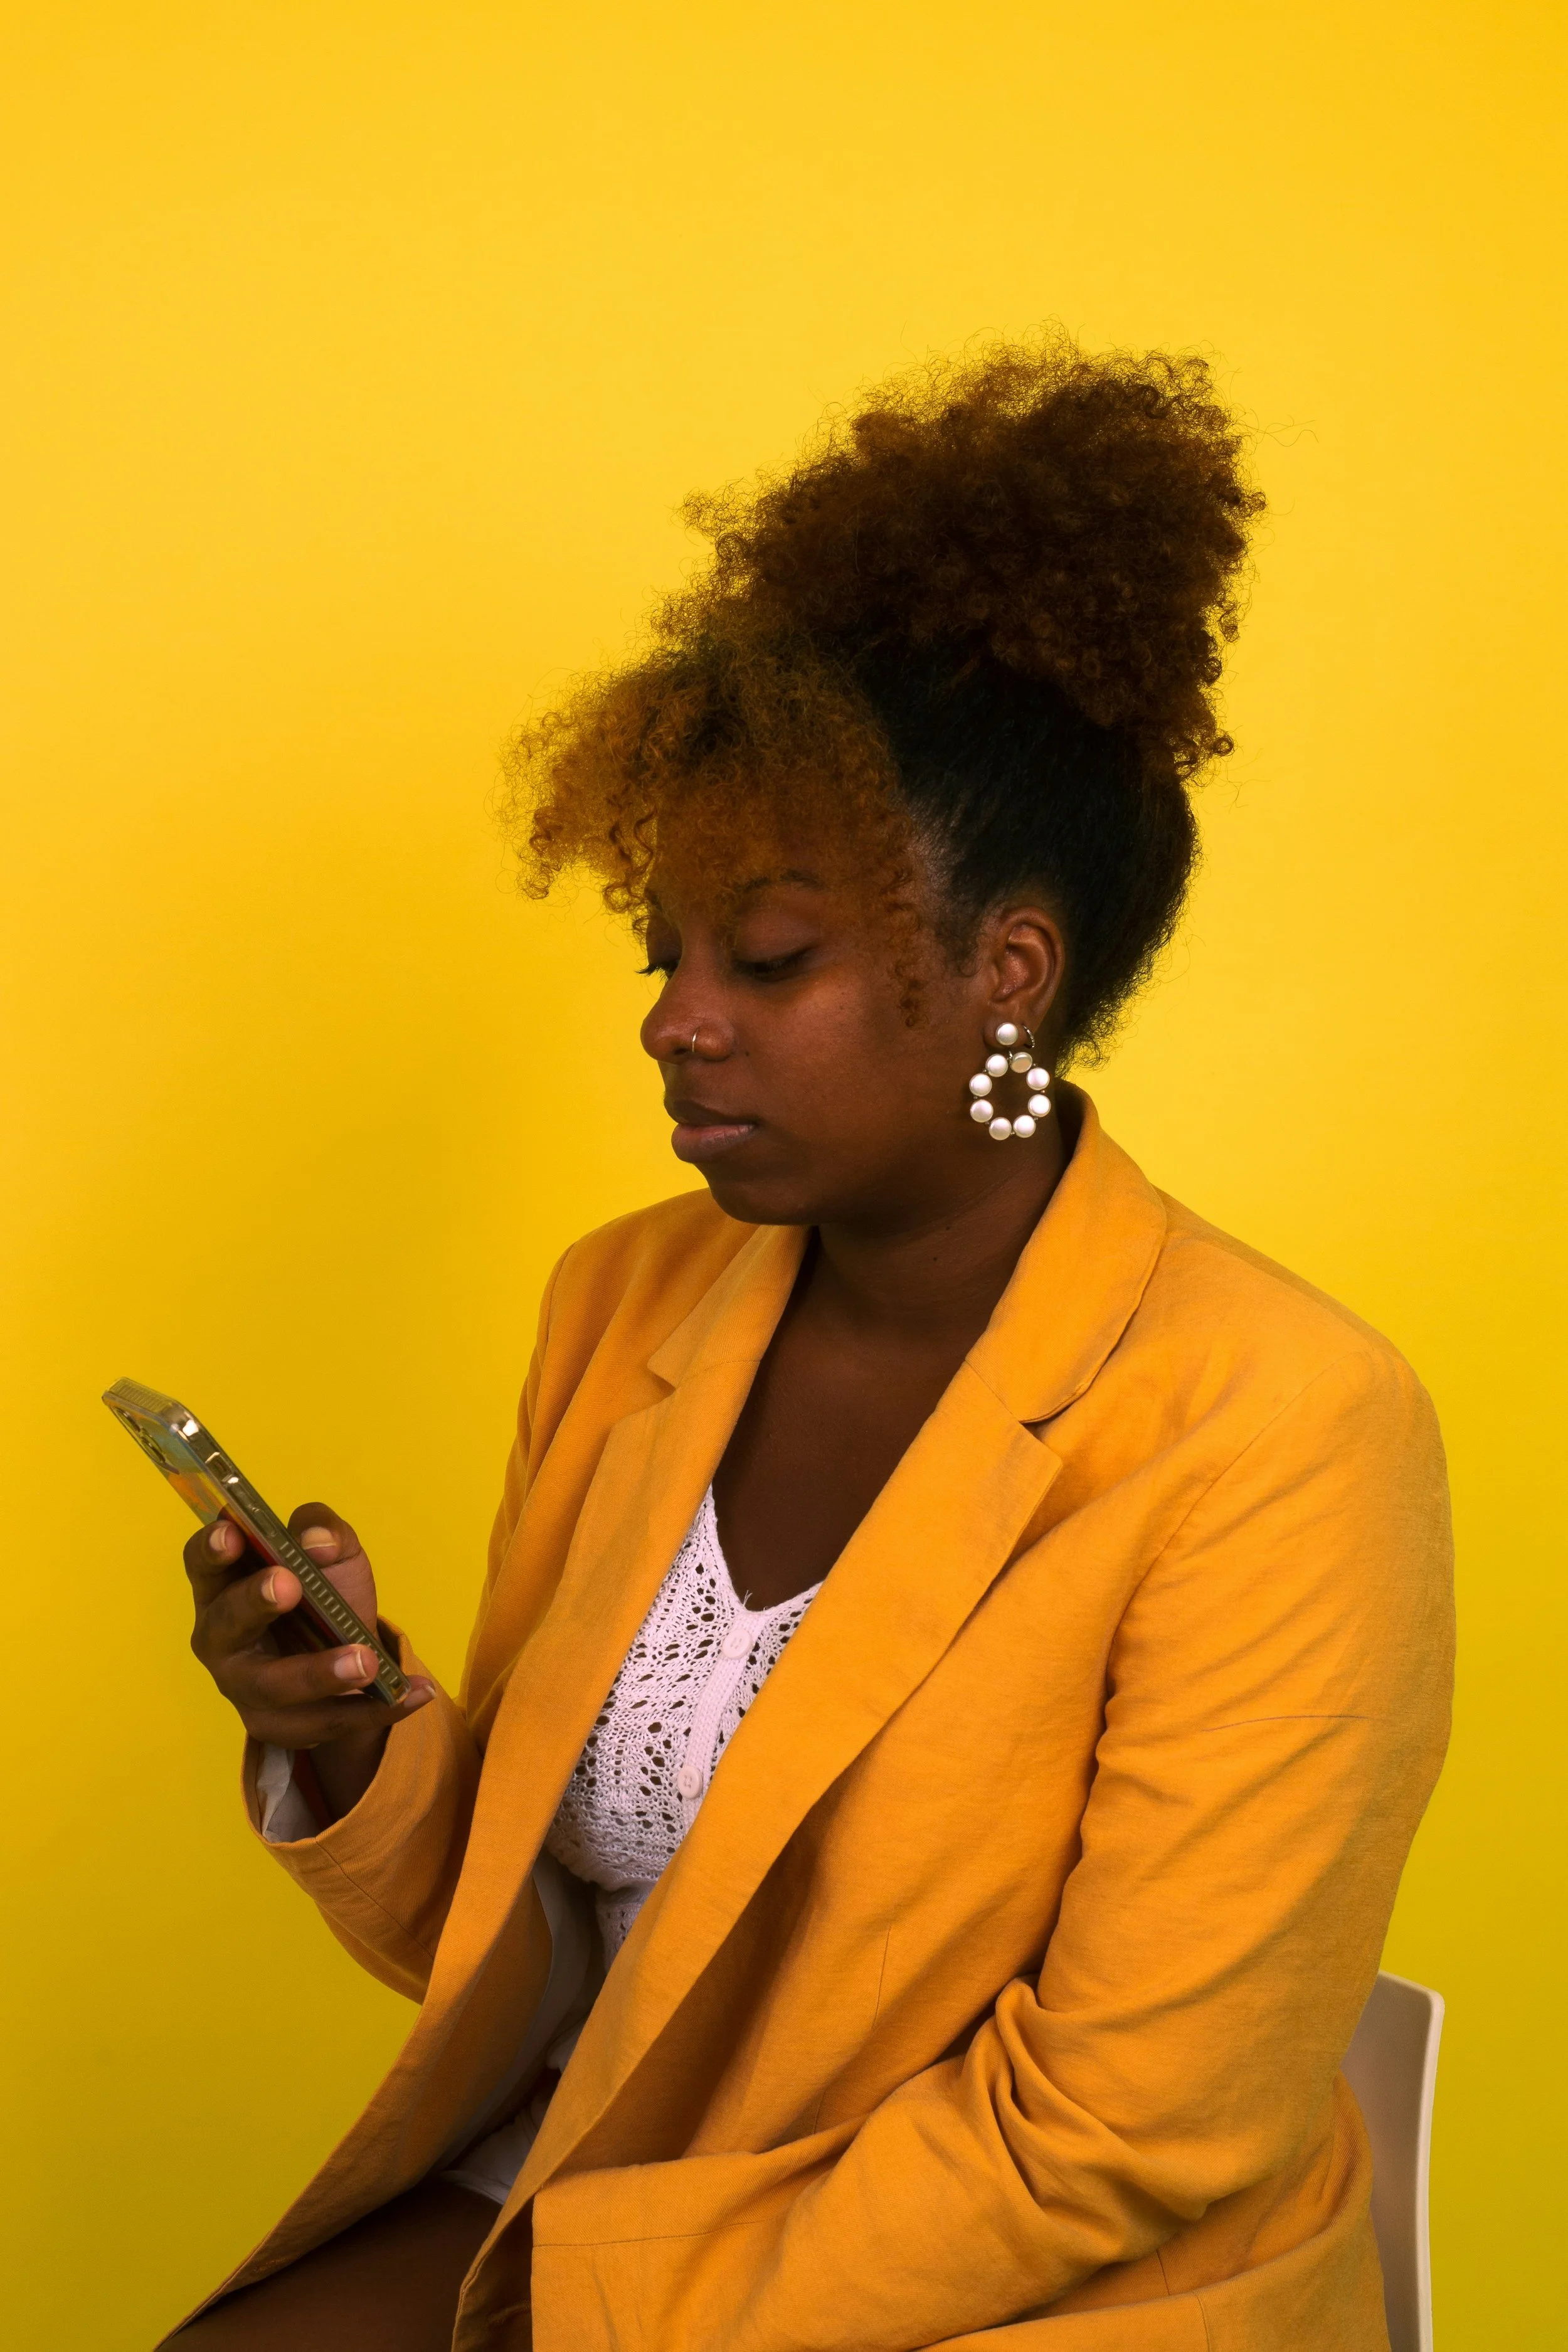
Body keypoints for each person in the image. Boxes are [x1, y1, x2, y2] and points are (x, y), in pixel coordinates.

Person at [166, 334, 1453, 2351]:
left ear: (1005, 975)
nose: (677, 1016)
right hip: (626, 2179)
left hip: (1010, 2286)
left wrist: (568, 2323)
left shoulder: (1282, 1425)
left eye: (766, 957)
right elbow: (571, 1955)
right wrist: (348, 1740)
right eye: (660, 951)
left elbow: (1122, 2133)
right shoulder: (622, 1302)